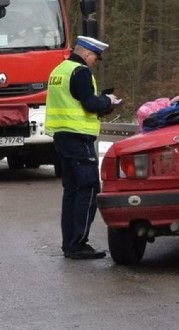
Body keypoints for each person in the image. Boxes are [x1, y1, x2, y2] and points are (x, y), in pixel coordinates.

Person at [45, 36, 121, 259]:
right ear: (87, 54)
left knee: (71, 191)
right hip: (79, 139)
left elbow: (73, 100)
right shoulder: (80, 72)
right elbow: (89, 104)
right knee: (88, 189)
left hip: (62, 136)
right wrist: (108, 101)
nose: (95, 62)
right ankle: (78, 243)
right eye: (95, 57)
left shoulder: (59, 70)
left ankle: (69, 243)